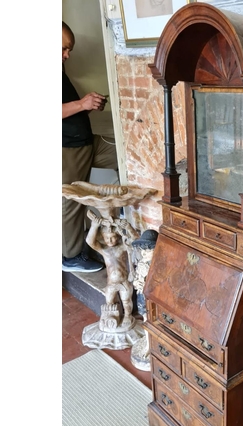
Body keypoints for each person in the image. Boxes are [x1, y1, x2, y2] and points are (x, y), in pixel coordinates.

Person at [62, 20, 118, 272]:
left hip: (88, 142)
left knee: (124, 156)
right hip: (67, 149)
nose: (67, 55)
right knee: (71, 202)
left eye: (69, 49)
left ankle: (118, 221)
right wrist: (82, 105)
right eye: (63, 48)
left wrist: (89, 105)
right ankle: (70, 257)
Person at [86, 211, 139, 330]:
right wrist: (94, 226)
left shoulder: (122, 247)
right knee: (109, 303)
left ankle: (127, 316)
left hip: (124, 281)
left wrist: (129, 228)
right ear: (102, 238)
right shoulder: (104, 250)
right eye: (107, 238)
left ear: (118, 237)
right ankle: (111, 318)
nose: (110, 241)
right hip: (111, 283)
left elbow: (136, 240)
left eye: (113, 237)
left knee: (126, 301)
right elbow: (90, 242)